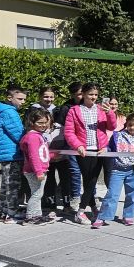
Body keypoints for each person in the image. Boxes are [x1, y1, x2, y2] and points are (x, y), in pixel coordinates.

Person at [64, 83, 117, 225]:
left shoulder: (101, 109)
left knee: (90, 180)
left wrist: (110, 113)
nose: (93, 97)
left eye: (96, 95)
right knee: (90, 181)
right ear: (83, 95)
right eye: (90, 94)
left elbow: (111, 126)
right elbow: (69, 132)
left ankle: (93, 208)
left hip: (100, 150)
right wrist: (78, 145)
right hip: (84, 151)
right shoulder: (74, 111)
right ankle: (80, 212)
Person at [95, 112, 134, 229]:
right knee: (112, 194)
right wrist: (105, 149)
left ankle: (128, 216)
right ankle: (102, 217)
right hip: (117, 170)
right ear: (126, 124)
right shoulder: (117, 136)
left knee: (131, 195)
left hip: (133, 171)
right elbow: (110, 147)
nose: (132, 128)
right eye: (130, 125)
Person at [0, 85, 27, 223]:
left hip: (5, 153)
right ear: (10, 98)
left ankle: (5, 210)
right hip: (11, 154)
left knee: (6, 184)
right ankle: (12, 213)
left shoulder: (3, 111)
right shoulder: (10, 112)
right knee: (12, 184)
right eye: (20, 99)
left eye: (24, 99)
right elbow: (18, 134)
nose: (23, 102)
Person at [19, 108, 53, 226]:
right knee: (36, 194)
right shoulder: (33, 137)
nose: (43, 125)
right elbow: (33, 156)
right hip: (34, 171)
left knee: (38, 193)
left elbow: (41, 152)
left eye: (45, 122)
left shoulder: (38, 135)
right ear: (32, 123)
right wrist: (38, 171)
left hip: (39, 170)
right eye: (40, 123)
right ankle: (30, 217)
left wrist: (52, 155)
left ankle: (37, 215)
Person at [53, 82, 83, 215]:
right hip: (70, 145)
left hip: (86, 144)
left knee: (89, 173)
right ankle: (74, 199)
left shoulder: (89, 106)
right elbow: (60, 129)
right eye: (79, 94)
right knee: (75, 173)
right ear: (73, 95)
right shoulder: (66, 108)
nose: (82, 96)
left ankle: (90, 198)